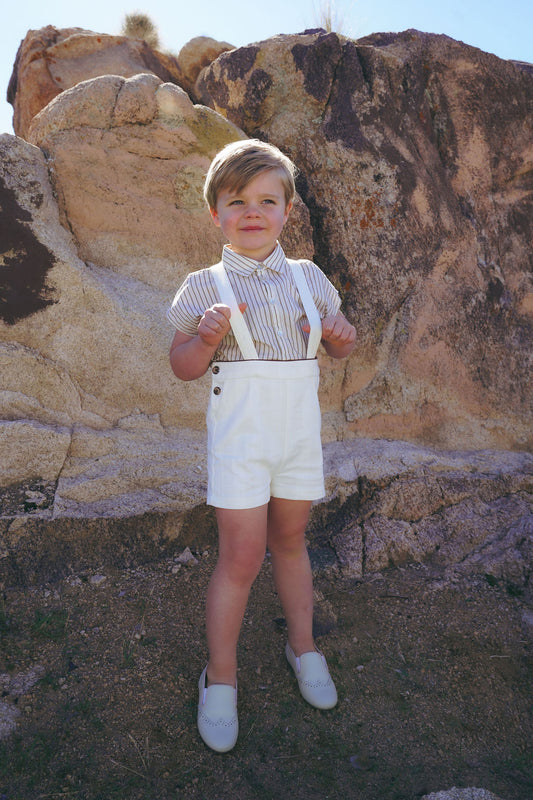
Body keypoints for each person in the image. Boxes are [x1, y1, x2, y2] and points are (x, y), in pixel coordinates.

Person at [167, 139, 356, 753]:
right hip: (241, 442)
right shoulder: (205, 286)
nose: (253, 211)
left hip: (297, 438)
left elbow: (339, 345)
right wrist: (203, 339)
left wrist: (342, 334)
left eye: (266, 200)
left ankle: (303, 646)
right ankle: (219, 676)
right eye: (237, 200)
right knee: (242, 557)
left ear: (288, 210)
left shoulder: (309, 278)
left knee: (292, 540)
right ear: (215, 212)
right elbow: (183, 367)